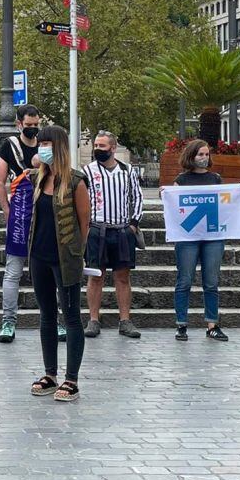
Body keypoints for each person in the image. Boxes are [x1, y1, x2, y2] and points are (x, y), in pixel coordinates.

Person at [27, 125, 91, 402]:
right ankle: (50, 374)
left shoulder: (76, 181)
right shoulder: (39, 179)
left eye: (46, 144)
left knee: (72, 316)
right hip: (38, 256)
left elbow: (84, 224)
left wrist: (75, 253)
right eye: (39, 143)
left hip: (65, 259)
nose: (41, 148)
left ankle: (72, 379)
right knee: (46, 315)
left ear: (59, 147)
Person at [0, 104, 66, 344]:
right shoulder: (9, 147)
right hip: (20, 214)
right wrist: (6, 210)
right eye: (29, 125)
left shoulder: (47, 145)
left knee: (52, 271)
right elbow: (0, 180)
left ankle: (55, 321)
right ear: (19, 124)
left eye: (37, 125)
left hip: (45, 215)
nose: (34, 129)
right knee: (13, 270)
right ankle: (8, 321)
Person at [83, 130, 143, 339]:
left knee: (123, 276)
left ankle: (125, 320)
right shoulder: (87, 172)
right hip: (96, 229)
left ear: (113, 148)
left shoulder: (128, 171)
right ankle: (93, 320)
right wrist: (86, 227)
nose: (98, 149)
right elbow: (81, 200)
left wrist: (133, 225)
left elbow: (137, 198)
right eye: (96, 146)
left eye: (102, 146)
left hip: (121, 230)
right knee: (95, 277)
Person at [169, 140, 228, 342]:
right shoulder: (181, 180)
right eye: (200, 154)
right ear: (191, 156)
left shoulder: (216, 178)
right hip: (188, 237)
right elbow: (174, 206)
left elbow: (225, 204)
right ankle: (181, 324)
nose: (204, 158)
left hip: (212, 237)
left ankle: (212, 325)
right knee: (184, 280)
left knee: (211, 282)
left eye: (206, 154)